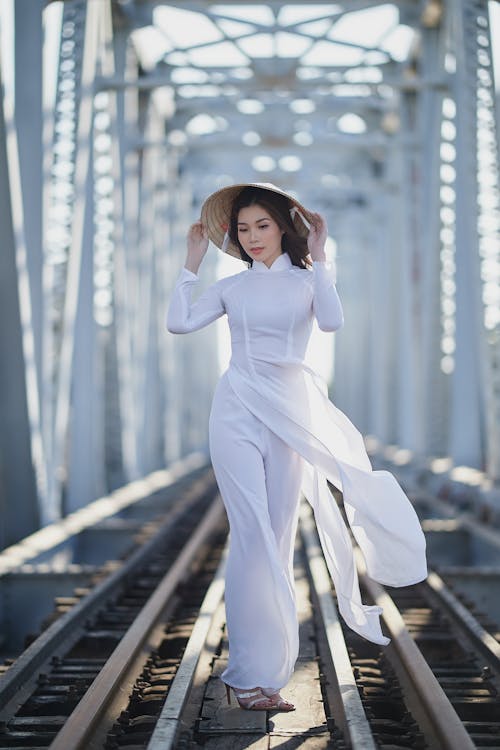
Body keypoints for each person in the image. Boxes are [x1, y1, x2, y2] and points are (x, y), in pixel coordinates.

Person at [166, 182, 427, 713]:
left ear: (285, 226)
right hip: (236, 407)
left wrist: (324, 258)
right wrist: (191, 265)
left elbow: (332, 321)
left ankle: (269, 674)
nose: (252, 237)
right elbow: (179, 322)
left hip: (289, 413)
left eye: (262, 225)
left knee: (279, 537)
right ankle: (246, 676)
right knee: (251, 536)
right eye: (242, 229)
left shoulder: (308, 283)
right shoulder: (231, 288)